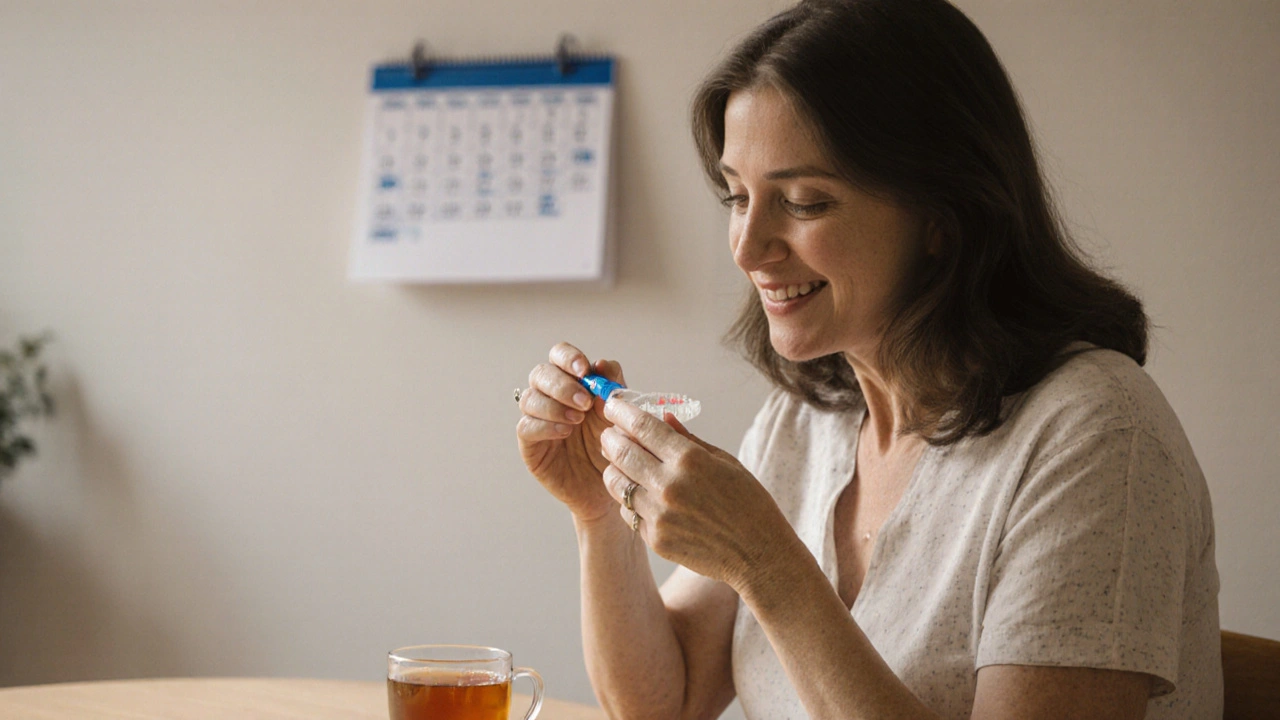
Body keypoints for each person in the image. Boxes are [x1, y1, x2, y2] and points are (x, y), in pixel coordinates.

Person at [515, 0, 1221, 717]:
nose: (748, 246)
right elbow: (666, 700)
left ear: (941, 216)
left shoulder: (1096, 437)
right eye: (737, 196)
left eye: (803, 201)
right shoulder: (805, 419)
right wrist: (601, 515)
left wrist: (770, 567)